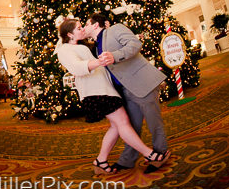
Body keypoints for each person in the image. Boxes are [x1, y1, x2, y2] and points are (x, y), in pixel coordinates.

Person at [56, 19, 170, 175]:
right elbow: (77, 67)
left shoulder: (86, 45)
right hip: (96, 92)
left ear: (96, 25)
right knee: (123, 123)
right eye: (79, 27)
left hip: (107, 90)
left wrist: (105, 60)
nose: (83, 29)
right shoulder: (65, 49)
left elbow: (133, 46)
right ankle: (149, 154)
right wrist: (99, 61)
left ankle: (101, 160)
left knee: (118, 126)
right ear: (69, 34)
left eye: (84, 25)